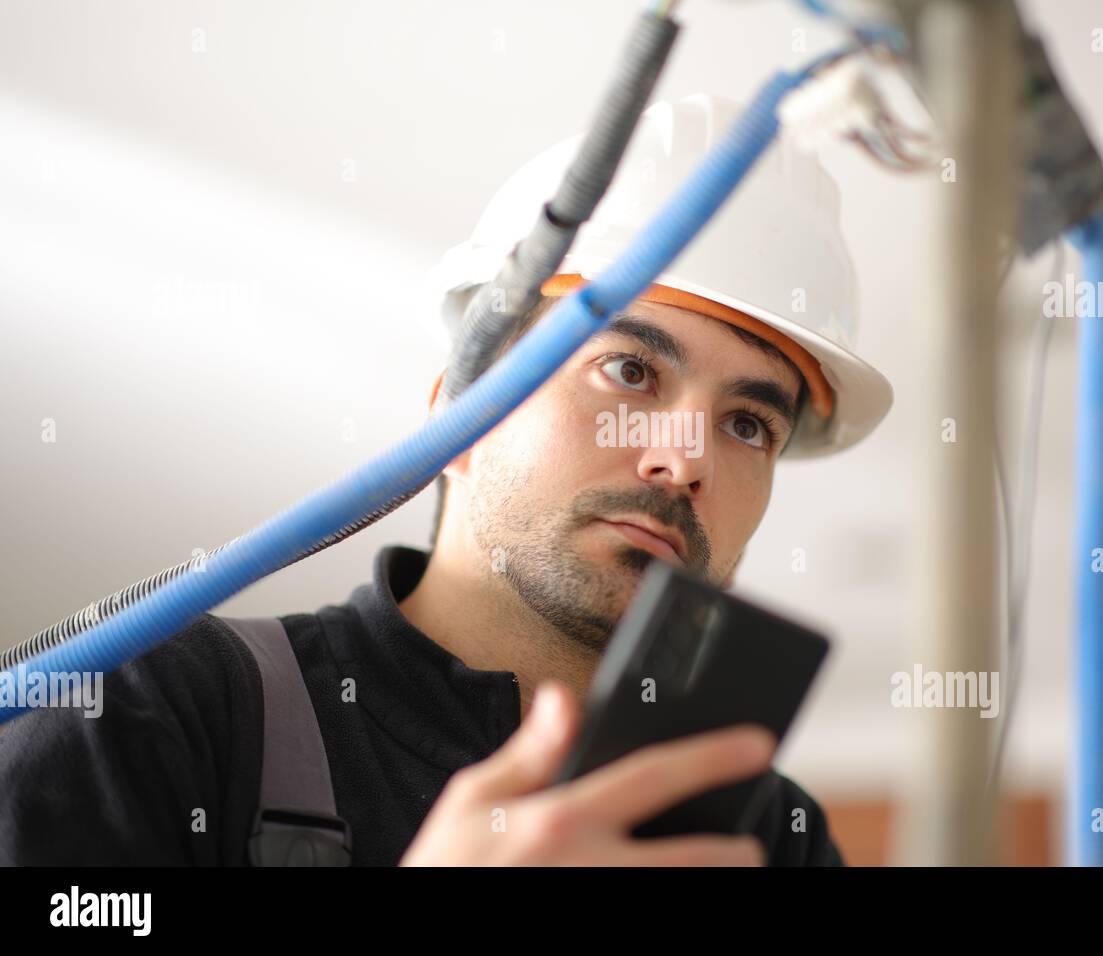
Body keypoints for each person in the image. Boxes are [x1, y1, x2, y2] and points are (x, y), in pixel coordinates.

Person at [0, 94, 892, 866]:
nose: (686, 458)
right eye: (629, 371)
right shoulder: (147, 717)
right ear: (458, 418)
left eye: (748, 424)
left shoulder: (768, 835)